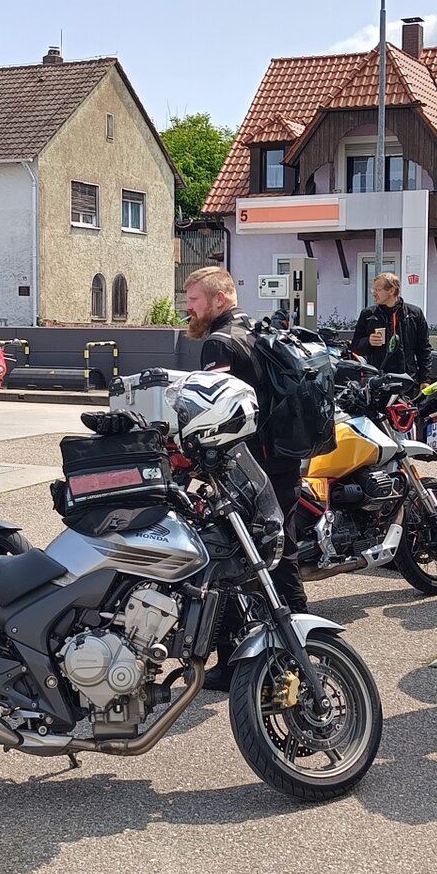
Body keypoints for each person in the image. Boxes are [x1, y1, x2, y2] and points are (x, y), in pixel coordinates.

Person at [184, 266, 308, 686]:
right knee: (281, 552)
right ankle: (299, 647)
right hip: (282, 459)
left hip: (249, 467)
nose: (188, 307)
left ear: (219, 299)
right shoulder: (257, 330)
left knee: (235, 561)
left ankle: (238, 663)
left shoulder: (220, 343)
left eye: (194, 299)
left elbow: (214, 410)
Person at [348, 272, 430, 383]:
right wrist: (368, 341)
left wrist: (425, 380)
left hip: (408, 378)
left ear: (391, 291)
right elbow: (355, 347)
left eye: (378, 290)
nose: (374, 294)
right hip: (378, 379)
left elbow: (424, 349)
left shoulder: (414, 314)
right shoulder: (368, 314)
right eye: (373, 290)